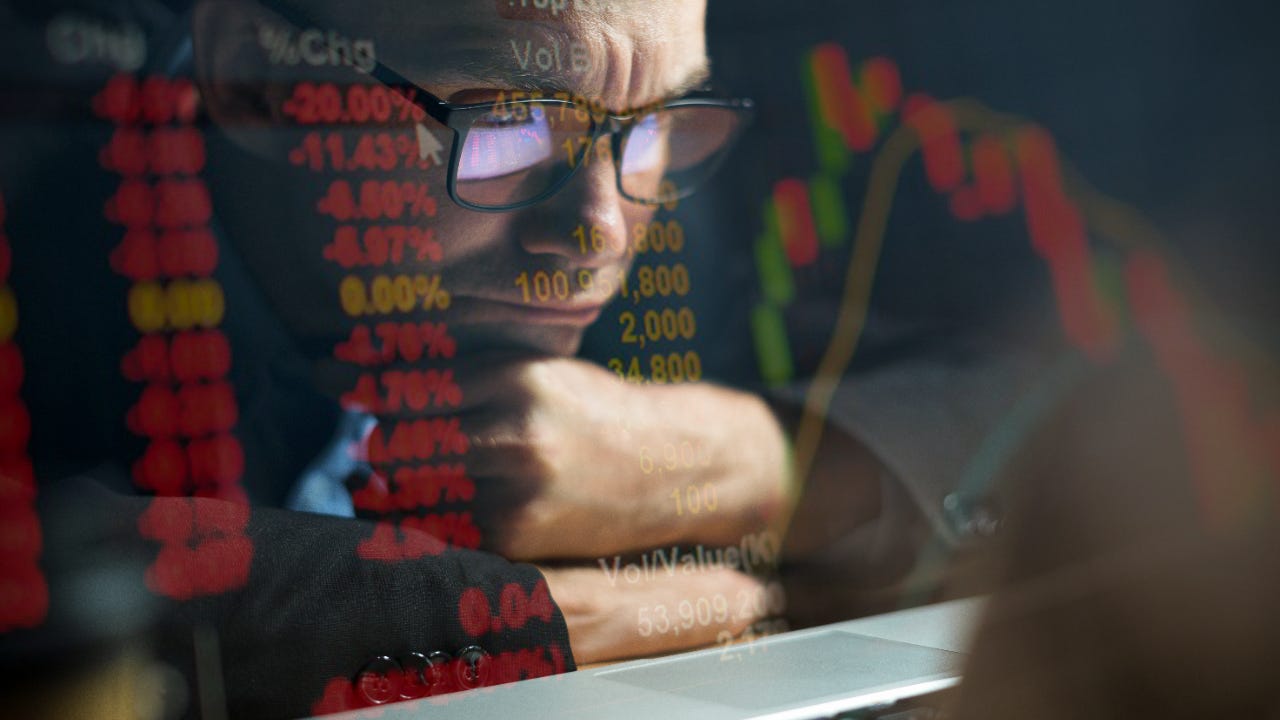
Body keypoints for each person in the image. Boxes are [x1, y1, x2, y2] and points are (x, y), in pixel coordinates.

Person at [0, 0, 890, 716]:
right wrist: (519, 619)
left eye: (658, 128)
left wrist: (732, 454)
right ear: (251, 79)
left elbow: (998, 395)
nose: (600, 234)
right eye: (509, 124)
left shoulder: (660, 192)